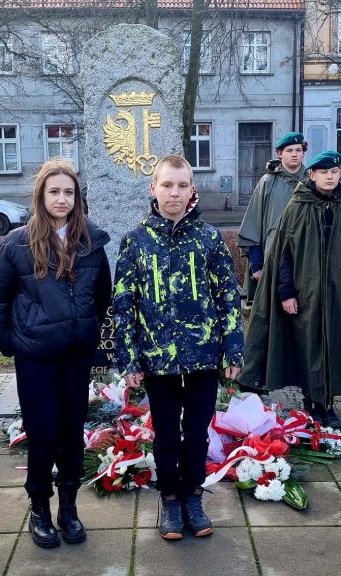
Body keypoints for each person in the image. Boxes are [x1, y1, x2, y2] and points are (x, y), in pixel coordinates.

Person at [112, 154, 243, 541]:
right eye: (167, 185)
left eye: (182, 185)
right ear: (153, 188)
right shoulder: (135, 241)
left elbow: (228, 298)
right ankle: (170, 498)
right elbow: (124, 304)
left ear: (192, 190)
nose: (174, 193)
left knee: (198, 433)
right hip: (158, 361)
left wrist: (232, 350)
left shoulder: (209, 239)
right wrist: (129, 359)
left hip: (202, 357)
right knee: (167, 435)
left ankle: (194, 497)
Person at [0, 160, 111, 549]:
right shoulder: (18, 244)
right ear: (41, 196)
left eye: (69, 192)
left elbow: (102, 295)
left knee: (71, 433)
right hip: (35, 355)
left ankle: (68, 507)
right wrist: (9, 342)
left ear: (77, 198)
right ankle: (39, 506)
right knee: (42, 433)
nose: (62, 199)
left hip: (75, 355)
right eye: (54, 192)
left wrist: (89, 333)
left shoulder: (91, 241)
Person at [239, 150, 341, 429]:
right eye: (323, 172)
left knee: (335, 347)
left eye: (334, 172)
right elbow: (283, 256)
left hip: (340, 296)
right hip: (305, 296)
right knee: (309, 349)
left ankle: (328, 403)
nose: (329, 177)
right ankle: (312, 403)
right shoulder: (296, 208)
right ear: (312, 175)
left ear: (340, 174)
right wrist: (286, 293)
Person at [236, 131, 307, 307]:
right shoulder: (267, 182)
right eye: (289, 150)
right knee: (273, 310)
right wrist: (257, 265)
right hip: (273, 258)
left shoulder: (311, 181)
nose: (294, 154)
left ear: (303, 153)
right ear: (280, 154)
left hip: (306, 260)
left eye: (298, 150)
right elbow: (253, 224)